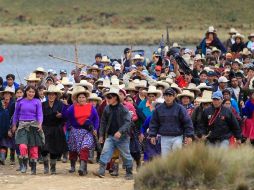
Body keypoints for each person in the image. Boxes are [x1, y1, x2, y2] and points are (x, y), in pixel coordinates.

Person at [93, 86, 133, 180]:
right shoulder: (107, 108)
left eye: (109, 97)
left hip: (123, 137)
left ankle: (129, 173)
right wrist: (101, 135)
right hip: (111, 136)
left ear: (115, 97)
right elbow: (103, 122)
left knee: (126, 155)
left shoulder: (123, 109)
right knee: (105, 152)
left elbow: (128, 122)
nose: (107, 99)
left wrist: (120, 131)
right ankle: (101, 171)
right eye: (107, 97)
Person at [62, 86, 99, 176]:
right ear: (77, 98)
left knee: (85, 147)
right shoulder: (72, 107)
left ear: (86, 98)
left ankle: (82, 167)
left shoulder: (91, 107)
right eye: (79, 97)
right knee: (73, 149)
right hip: (75, 131)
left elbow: (96, 119)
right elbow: (65, 115)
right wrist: (65, 105)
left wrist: (95, 129)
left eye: (83, 97)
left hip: (87, 132)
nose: (81, 99)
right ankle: (72, 166)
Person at [149, 88, 194, 156]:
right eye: (166, 95)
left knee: (177, 157)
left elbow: (187, 122)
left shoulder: (180, 108)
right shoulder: (158, 109)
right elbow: (154, 123)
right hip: (164, 137)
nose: (168, 98)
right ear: (163, 96)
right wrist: (152, 135)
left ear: (174, 97)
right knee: (165, 159)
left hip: (177, 137)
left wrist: (189, 136)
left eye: (170, 96)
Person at [12, 85, 44, 175]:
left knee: (34, 148)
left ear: (35, 93)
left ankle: (33, 168)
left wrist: (40, 124)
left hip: (34, 126)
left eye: (33, 92)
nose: (31, 93)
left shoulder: (37, 101)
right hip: (22, 126)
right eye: (29, 91)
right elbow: (16, 114)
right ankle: (24, 166)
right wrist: (14, 125)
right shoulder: (20, 101)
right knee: (23, 146)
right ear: (26, 92)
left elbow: (40, 114)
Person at [41, 85, 67, 174]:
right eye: (49, 94)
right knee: (44, 148)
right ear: (47, 95)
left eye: (53, 94)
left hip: (56, 128)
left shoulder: (60, 104)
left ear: (56, 95)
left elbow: (65, 117)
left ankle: (53, 168)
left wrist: (61, 116)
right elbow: (40, 117)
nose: (51, 96)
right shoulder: (43, 104)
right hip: (45, 128)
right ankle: (45, 166)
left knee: (54, 149)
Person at [0, 87, 15, 165]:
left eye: (8, 93)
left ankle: (12, 157)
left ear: (11, 95)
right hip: (1, 126)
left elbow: (13, 116)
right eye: (5, 93)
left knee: (11, 143)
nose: (6, 95)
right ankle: (2, 158)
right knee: (2, 143)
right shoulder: (0, 103)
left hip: (10, 125)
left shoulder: (13, 104)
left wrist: (10, 128)